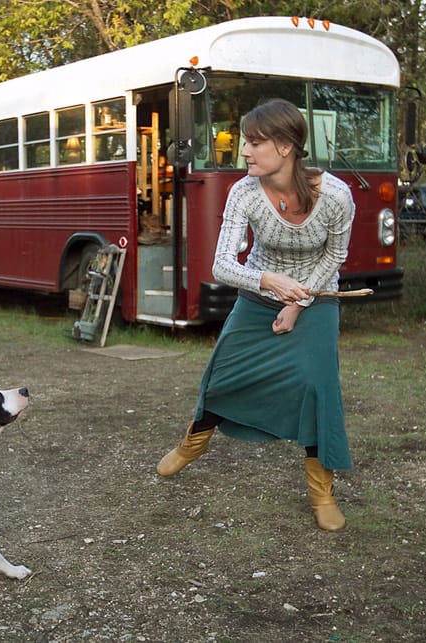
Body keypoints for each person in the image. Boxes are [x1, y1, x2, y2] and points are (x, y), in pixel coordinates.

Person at [156, 98, 354, 531]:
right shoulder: (243, 192)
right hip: (259, 293)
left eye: (254, 143)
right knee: (224, 372)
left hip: (317, 296)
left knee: (316, 387)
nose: (244, 151)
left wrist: (298, 303)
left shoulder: (336, 195)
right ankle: (194, 443)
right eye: (246, 142)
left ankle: (321, 490)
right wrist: (270, 283)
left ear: (285, 147)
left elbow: (336, 253)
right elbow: (222, 265)